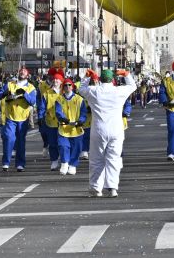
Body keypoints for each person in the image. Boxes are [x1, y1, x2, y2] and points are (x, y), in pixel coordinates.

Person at [79, 69, 137, 197]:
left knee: (96, 159)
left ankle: (96, 188)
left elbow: (81, 89)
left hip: (98, 129)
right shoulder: (119, 91)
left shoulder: (94, 91)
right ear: (112, 80)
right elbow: (132, 86)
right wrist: (126, 74)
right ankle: (112, 187)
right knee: (114, 159)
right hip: (116, 129)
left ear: (100, 79)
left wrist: (87, 77)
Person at [0, 67, 37, 172]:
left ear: (27, 75)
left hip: (23, 118)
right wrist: (5, 93)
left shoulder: (31, 87)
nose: (22, 72)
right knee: (9, 138)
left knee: (20, 141)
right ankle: (6, 162)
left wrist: (24, 94)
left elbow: (32, 101)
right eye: (20, 71)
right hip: (10, 116)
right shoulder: (10, 84)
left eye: (24, 71)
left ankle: (20, 164)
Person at [54, 79, 87, 175]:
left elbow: (83, 113)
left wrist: (80, 121)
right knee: (63, 146)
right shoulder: (59, 99)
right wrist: (64, 119)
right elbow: (58, 112)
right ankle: (64, 163)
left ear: (72, 86)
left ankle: (72, 165)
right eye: (65, 85)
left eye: (69, 85)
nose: (67, 87)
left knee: (76, 148)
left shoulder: (79, 99)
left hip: (76, 129)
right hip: (64, 128)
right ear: (63, 87)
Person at [38, 71, 63, 171]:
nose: (56, 81)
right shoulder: (47, 93)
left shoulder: (65, 92)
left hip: (63, 123)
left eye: (58, 79)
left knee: (62, 143)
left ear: (61, 81)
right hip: (50, 122)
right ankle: (54, 160)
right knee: (52, 143)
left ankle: (64, 160)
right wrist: (40, 117)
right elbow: (42, 107)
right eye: (54, 79)